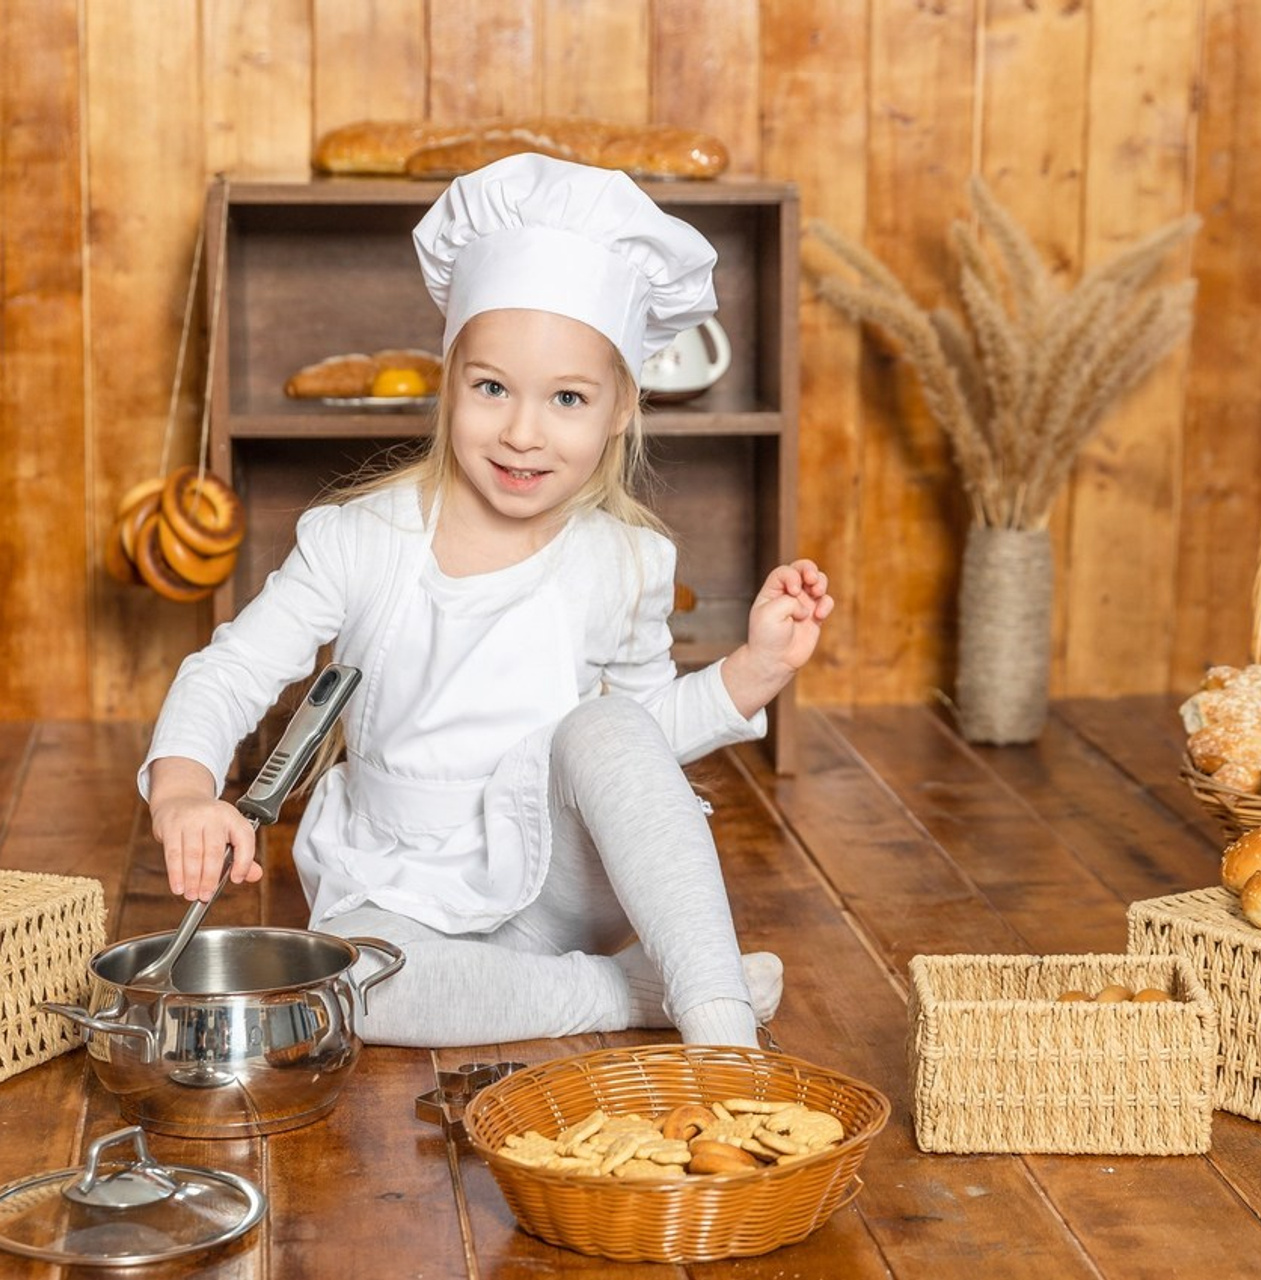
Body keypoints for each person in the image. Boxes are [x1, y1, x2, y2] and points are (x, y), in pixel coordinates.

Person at [140, 153, 833, 1049]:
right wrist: (185, 793)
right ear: (449, 375)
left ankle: (719, 1026)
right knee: (355, 989)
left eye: (569, 398)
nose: (522, 432)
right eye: (492, 387)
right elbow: (230, 672)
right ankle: (625, 994)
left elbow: (640, 749)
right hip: (397, 893)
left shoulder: (623, 561)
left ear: (623, 407)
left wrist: (754, 670)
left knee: (607, 729)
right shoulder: (358, 542)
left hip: (558, 887)